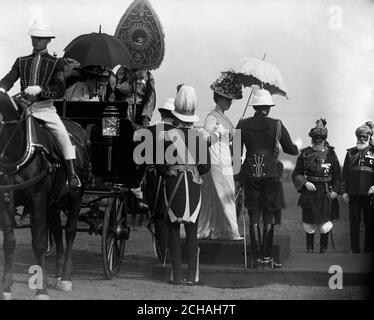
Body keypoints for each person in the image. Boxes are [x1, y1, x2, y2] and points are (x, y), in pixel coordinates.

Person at [0, 21, 80, 191]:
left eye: (41, 38)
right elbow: (9, 78)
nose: (36, 41)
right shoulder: (21, 61)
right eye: (34, 37)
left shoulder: (56, 63)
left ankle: (73, 176)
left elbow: (59, 91)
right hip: (23, 109)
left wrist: (40, 89)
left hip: (45, 110)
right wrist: (2, 87)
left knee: (63, 135)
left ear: (48, 40)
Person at [236, 88, 298, 268]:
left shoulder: (242, 124)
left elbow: (235, 155)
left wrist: (237, 179)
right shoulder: (277, 125)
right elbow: (290, 149)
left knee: (254, 216)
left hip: (250, 174)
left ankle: (255, 260)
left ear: (254, 106)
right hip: (271, 173)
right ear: (268, 108)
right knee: (269, 216)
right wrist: (296, 149)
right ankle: (268, 258)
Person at [157, 85, 210, 285]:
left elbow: (160, 166)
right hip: (194, 187)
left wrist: (171, 170)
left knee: (172, 231)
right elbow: (205, 167)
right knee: (191, 233)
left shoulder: (166, 136)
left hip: (172, 185)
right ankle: (192, 276)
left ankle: (176, 276)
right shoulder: (199, 137)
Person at [197, 73, 243, 240]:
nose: (230, 102)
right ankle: (230, 231)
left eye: (230, 99)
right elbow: (205, 139)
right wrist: (213, 135)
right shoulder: (212, 117)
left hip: (223, 160)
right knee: (226, 195)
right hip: (217, 160)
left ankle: (220, 229)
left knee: (218, 197)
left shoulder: (224, 118)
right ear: (220, 98)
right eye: (227, 98)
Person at [292, 119, 341, 253]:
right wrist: (305, 183)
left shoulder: (331, 154)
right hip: (309, 193)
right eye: (314, 139)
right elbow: (297, 173)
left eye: (319, 140)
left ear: (324, 140)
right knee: (309, 224)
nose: (316, 142)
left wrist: (336, 191)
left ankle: (323, 252)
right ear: (312, 139)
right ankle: (309, 252)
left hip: (326, 193)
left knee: (325, 225)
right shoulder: (305, 153)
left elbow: (338, 175)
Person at [144, 97, 176, 261]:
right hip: (172, 179)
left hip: (152, 179)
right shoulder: (179, 134)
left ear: (162, 114)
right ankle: (169, 254)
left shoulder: (149, 131)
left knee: (158, 217)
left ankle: (163, 254)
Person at [341, 121, 374, 253]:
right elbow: (345, 174)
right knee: (354, 222)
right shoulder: (350, 153)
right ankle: (354, 249)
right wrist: (344, 192)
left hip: (369, 193)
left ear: (369, 137)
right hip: (353, 192)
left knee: (370, 222)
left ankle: (368, 249)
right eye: (359, 136)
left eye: (364, 137)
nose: (361, 139)